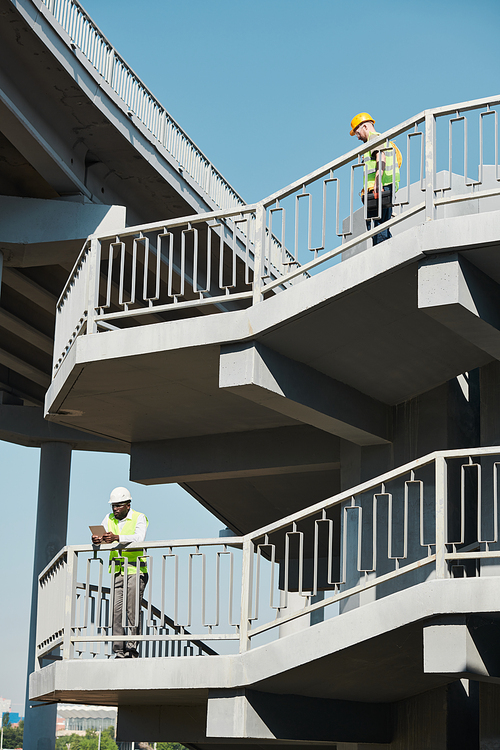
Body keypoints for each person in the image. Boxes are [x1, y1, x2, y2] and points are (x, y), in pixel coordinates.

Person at [91, 487, 149, 658]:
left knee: (132, 610)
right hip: (117, 570)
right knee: (116, 611)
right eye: (113, 506)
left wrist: (117, 538)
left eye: (118, 506)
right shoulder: (108, 518)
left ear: (128, 505)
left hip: (135, 569)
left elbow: (139, 538)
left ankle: (131, 648)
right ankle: (119, 650)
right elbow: (100, 535)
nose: (114, 509)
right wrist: (97, 539)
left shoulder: (140, 517)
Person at [350, 112, 400, 245]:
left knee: (377, 225)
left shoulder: (374, 138)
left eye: (357, 133)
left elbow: (381, 157)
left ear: (364, 126)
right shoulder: (381, 139)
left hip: (379, 188)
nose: (358, 137)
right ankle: (389, 248)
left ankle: (383, 253)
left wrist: (377, 181)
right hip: (387, 186)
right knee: (382, 224)